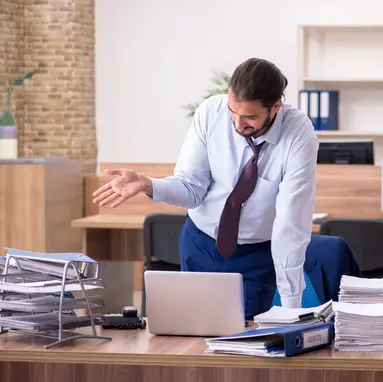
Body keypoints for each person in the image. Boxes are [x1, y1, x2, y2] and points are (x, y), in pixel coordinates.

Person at [92, 58, 319, 320]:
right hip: (199, 242)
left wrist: (292, 309)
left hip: (255, 255)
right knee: (191, 332)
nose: (237, 124)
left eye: (250, 117)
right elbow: (191, 188)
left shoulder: (299, 134)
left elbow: (290, 224)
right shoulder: (211, 112)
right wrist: (148, 183)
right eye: (233, 112)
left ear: (276, 107)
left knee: (244, 343)